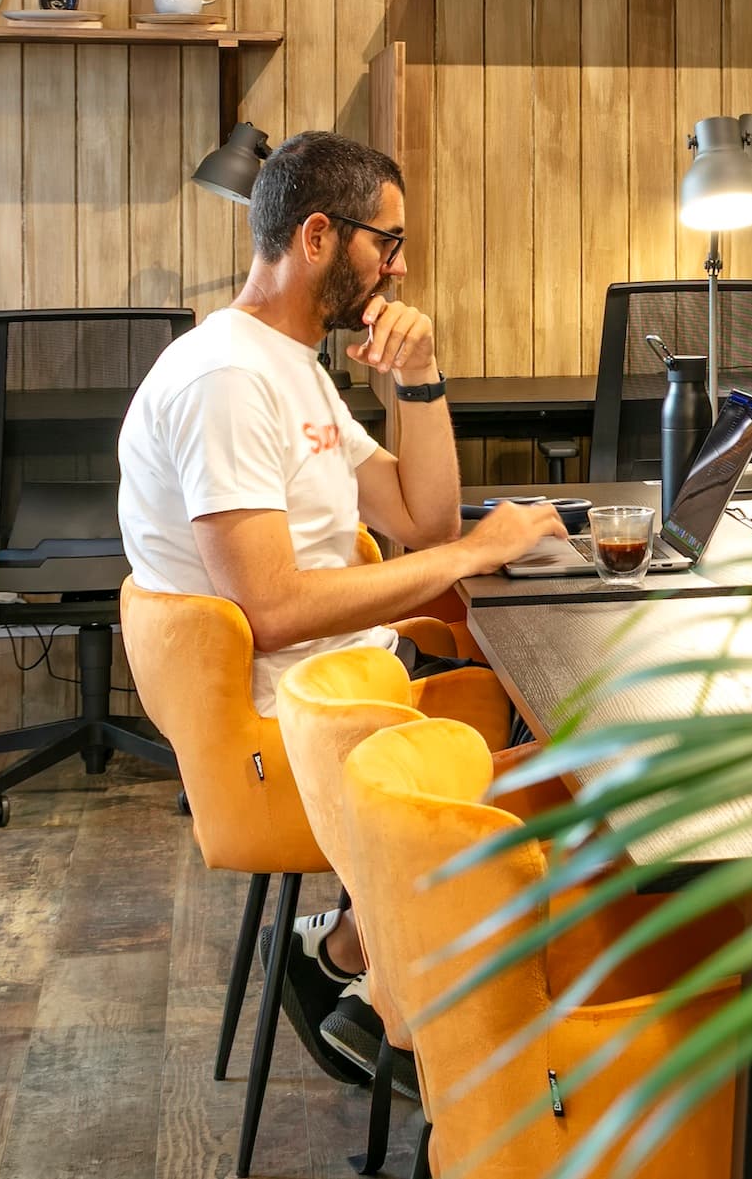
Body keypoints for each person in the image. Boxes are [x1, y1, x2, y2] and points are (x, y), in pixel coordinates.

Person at [118, 129, 562, 1091]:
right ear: (317, 235)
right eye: (386, 242)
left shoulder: (292, 364)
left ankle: (355, 954)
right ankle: (404, 1004)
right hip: (296, 718)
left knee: (543, 712)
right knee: (572, 754)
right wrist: (471, 554)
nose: (398, 267)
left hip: (351, 670)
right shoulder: (228, 379)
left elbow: (419, 514)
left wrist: (421, 378)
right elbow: (272, 607)